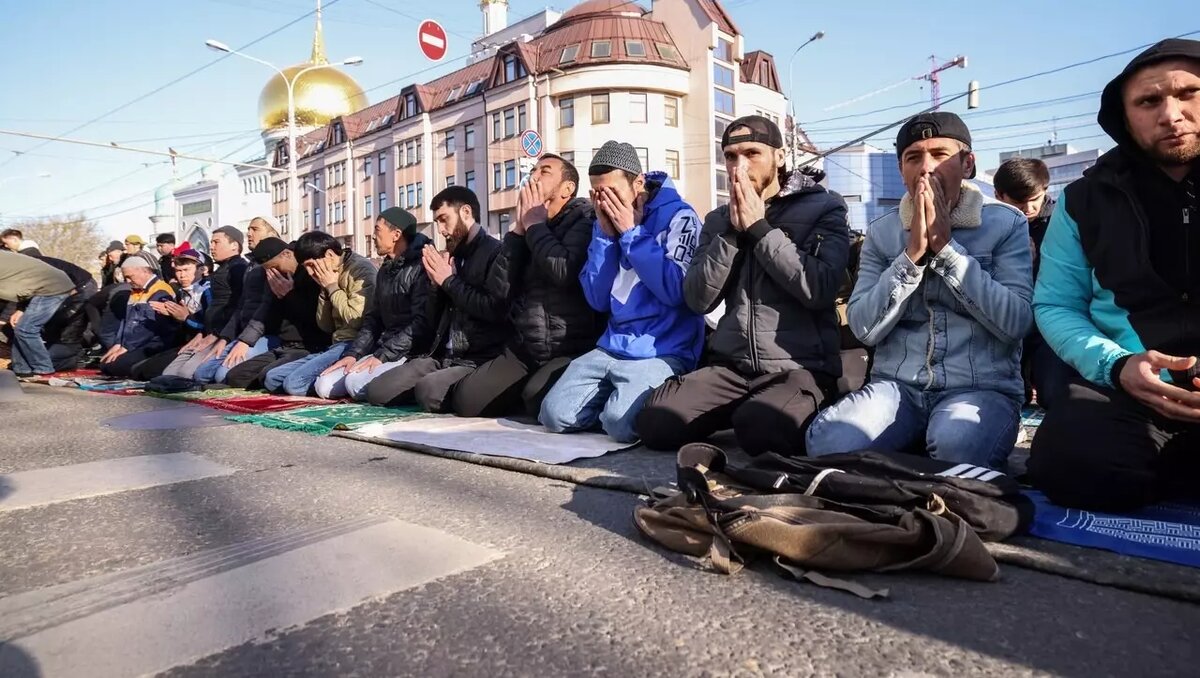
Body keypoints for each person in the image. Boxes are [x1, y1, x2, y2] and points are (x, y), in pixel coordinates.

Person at [805, 112, 1033, 469]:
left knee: (958, 443)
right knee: (830, 440)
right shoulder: (882, 233)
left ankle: (921, 448)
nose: (926, 168)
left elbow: (1016, 322)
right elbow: (864, 326)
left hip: (980, 388)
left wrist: (946, 252)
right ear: (901, 170)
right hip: (898, 388)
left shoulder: (1006, 224)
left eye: (940, 154)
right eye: (913, 157)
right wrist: (911, 257)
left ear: (968, 163)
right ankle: (913, 445)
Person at [1028, 39, 1200, 511]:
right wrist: (1116, 366)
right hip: (1129, 386)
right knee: (1070, 461)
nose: (1171, 114)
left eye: (1189, 93)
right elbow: (1056, 304)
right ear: (1124, 118)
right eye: (1149, 101)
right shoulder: (1085, 201)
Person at [637, 116, 851, 456]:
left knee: (760, 430)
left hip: (798, 367)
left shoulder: (825, 206)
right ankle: (744, 410)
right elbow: (697, 299)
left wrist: (759, 229)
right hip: (733, 369)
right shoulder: (719, 219)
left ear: (780, 157)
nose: (740, 165)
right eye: (731, 156)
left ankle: (774, 409)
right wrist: (734, 233)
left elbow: (820, 288)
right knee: (654, 421)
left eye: (752, 153)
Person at [539, 141, 704, 443]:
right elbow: (597, 299)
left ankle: (631, 403)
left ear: (638, 183)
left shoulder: (680, 217)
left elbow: (676, 292)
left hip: (664, 348)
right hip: (612, 345)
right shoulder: (603, 221)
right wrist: (604, 236)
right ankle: (617, 400)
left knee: (619, 424)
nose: (605, 203)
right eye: (598, 195)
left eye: (613, 193)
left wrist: (632, 234)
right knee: (553, 414)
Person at [447, 153, 601, 418]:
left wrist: (535, 226)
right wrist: (518, 230)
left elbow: (563, 270)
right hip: (526, 348)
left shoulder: (584, 218)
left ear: (568, 188)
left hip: (570, 346)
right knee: (466, 399)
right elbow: (499, 290)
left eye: (545, 171)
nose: (535, 176)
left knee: (535, 399)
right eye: (534, 170)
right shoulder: (527, 228)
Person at [365, 187, 510, 410]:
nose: (441, 230)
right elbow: (431, 319)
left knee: (428, 390)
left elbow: (494, 309)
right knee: (377, 391)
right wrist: (434, 287)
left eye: (444, 220)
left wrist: (448, 281)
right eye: (437, 222)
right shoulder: (449, 256)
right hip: (441, 355)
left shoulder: (495, 252)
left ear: (466, 212)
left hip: (478, 356)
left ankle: (467, 390)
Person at [315, 208, 434, 400]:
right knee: (324, 386)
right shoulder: (385, 270)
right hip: (383, 347)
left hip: (410, 352)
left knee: (354, 384)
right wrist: (354, 354)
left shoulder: (421, 267)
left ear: (396, 235)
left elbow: (420, 324)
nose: (373, 236)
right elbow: (373, 319)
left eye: (377, 230)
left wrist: (382, 356)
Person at [992, 157, 1074, 410]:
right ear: (998, 195)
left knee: (1056, 393)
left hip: (1052, 323)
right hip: (1005, 324)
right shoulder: (990, 226)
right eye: (1018, 202)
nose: (1028, 208)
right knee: (1009, 397)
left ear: (1045, 191)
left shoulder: (1064, 221)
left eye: (1034, 199)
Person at [263, 232, 375, 396]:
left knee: (294, 384)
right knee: (272, 378)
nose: (309, 272)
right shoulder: (327, 275)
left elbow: (355, 319)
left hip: (355, 343)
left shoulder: (360, 270)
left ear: (329, 254)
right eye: (305, 267)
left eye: (311, 265)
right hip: (335, 343)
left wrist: (332, 287)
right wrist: (324, 291)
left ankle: (330, 384)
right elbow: (326, 325)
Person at [221, 238, 331, 389]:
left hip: (309, 347)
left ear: (287, 254)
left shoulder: (310, 274)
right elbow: (270, 315)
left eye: (275, 266)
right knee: (235, 376)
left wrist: (290, 295)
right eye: (268, 269)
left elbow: (319, 320)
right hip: (284, 346)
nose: (273, 272)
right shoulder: (277, 279)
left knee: (270, 377)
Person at [161, 227, 247, 379]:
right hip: (208, 333)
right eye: (211, 242)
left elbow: (236, 307)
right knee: (168, 374)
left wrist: (218, 335)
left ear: (234, 245)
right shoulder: (222, 269)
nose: (211, 247)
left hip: (224, 335)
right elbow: (212, 310)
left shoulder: (238, 268)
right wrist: (202, 332)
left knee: (187, 374)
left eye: (216, 242)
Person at [129, 248, 211, 380]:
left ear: (202, 270)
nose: (182, 275)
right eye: (178, 271)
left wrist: (186, 318)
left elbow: (211, 325)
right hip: (186, 342)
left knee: (155, 373)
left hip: (205, 343)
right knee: (137, 369)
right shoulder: (181, 292)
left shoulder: (207, 290)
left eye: (186, 270)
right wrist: (172, 315)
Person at [98, 253, 178, 378]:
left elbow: (149, 327)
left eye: (130, 277)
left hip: (154, 343)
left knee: (115, 365)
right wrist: (118, 344)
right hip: (136, 342)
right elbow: (126, 321)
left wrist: (126, 347)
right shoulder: (135, 291)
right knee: (105, 363)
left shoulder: (160, 291)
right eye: (126, 278)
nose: (128, 281)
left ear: (144, 271)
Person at [0, 250, 75, 376]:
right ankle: (21, 369)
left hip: (52, 286)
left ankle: (44, 368)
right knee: (21, 328)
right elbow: (22, 278)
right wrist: (21, 309)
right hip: (38, 287)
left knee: (26, 329)